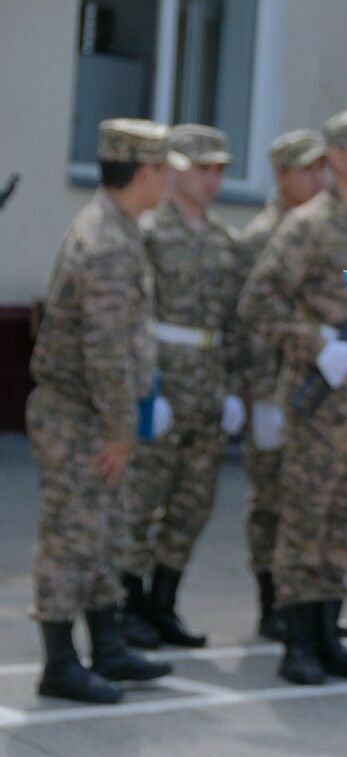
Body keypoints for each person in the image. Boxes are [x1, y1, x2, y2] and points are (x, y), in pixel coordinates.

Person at [239, 109, 347, 685]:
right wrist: (316, 344)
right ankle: (298, 641)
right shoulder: (308, 225)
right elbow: (258, 303)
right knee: (304, 521)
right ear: (335, 158)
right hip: (322, 405)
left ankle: (328, 630)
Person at [27, 118, 179, 702]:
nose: (166, 181)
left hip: (94, 411)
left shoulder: (116, 228)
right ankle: (60, 663)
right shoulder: (109, 241)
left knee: (101, 531)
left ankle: (107, 646)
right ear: (146, 172)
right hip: (80, 415)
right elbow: (106, 347)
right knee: (70, 534)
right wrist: (122, 427)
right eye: (164, 169)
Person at [122, 124, 244, 650]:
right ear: (174, 169)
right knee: (141, 500)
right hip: (164, 383)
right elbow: (132, 316)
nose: (213, 179)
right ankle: (129, 607)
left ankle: (163, 603)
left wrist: (236, 389)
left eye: (220, 170)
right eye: (203, 167)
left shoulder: (224, 240)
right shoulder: (148, 232)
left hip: (208, 387)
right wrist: (148, 389)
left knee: (192, 504)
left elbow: (234, 323)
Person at [237, 128, 327, 641]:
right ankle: (270, 600)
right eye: (306, 169)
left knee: (310, 503)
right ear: (281, 175)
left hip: (318, 392)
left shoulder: (320, 229)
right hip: (273, 385)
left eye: (321, 168)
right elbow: (249, 323)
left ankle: (309, 604)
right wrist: (257, 398)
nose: (317, 178)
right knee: (271, 501)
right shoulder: (260, 236)